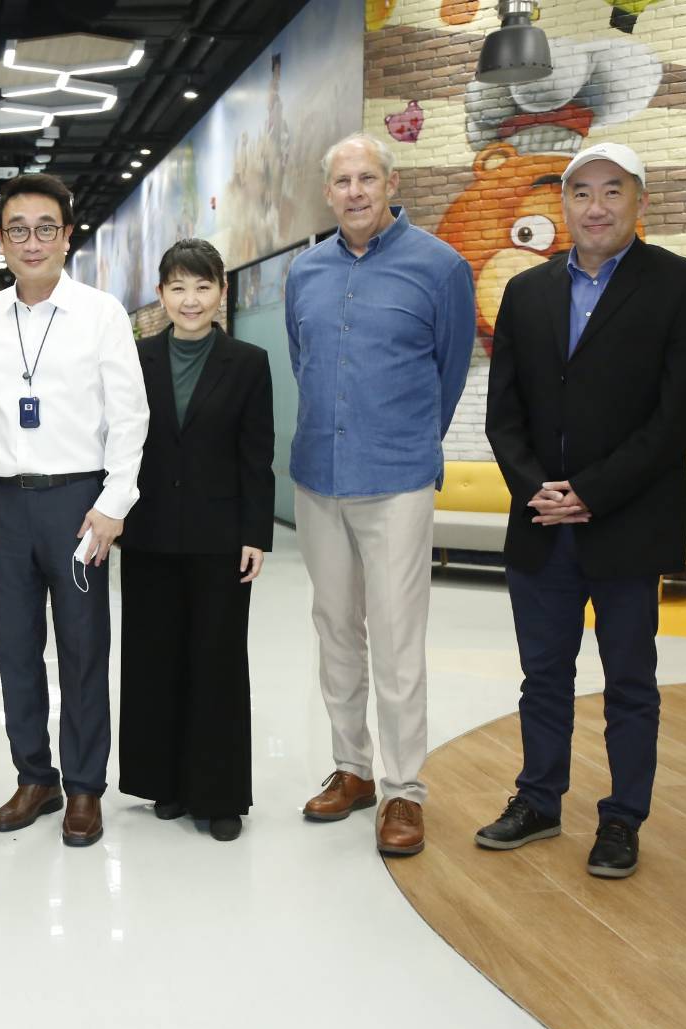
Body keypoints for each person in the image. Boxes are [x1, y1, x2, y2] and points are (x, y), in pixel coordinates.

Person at [477, 142, 686, 878]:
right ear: (564, 204)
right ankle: (538, 801)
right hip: (541, 522)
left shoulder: (682, 286)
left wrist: (592, 491)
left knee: (629, 683)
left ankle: (621, 819)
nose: (596, 206)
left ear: (639, 199)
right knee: (542, 676)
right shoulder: (527, 291)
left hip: (626, 522)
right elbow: (503, 412)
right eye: (581, 192)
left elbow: (674, 418)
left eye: (613, 190)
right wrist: (535, 488)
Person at [285, 133, 476, 856]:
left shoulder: (441, 267)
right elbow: (304, 363)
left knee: (396, 640)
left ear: (391, 184)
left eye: (368, 178)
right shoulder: (304, 271)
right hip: (318, 476)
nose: (355, 192)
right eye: (342, 181)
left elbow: (448, 372)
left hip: (396, 479)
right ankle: (353, 769)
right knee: (335, 628)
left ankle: (403, 790)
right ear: (327, 192)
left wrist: (406, 441)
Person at [0, 173, 149, 848]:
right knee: (13, 649)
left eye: (45, 228)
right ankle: (34, 777)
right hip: (4, 505)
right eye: (17, 229)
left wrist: (113, 504)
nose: (31, 242)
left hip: (77, 505)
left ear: (67, 237)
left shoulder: (101, 313)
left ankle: (84, 785)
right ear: (0, 239)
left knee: (83, 647)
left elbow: (129, 417)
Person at [117, 239, 273, 842]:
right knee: (155, 659)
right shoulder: (135, 359)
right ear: (160, 294)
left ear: (222, 292)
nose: (191, 299)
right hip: (149, 533)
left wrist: (255, 533)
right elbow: (118, 444)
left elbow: (257, 454)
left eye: (203, 286)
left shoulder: (248, 362)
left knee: (218, 661)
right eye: (178, 287)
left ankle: (220, 794)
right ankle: (168, 783)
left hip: (220, 536)